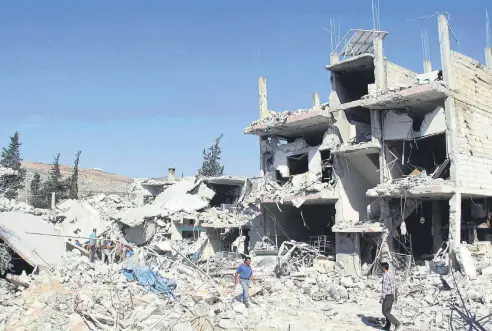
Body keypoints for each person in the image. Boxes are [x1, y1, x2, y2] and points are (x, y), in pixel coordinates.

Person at [380, 262, 401, 331]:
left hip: (387, 296)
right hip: (391, 296)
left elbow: (384, 288)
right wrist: (396, 297)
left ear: (383, 268)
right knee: (388, 311)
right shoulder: (391, 274)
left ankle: (397, 323)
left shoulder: (385, 275)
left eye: (381, 267)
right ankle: (387, 326)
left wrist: (382, 297)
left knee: (384, 312)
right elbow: (395, 286)